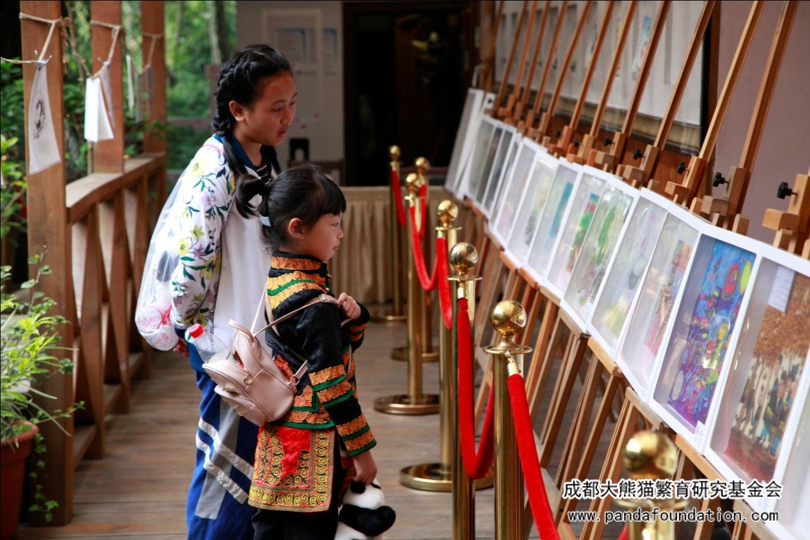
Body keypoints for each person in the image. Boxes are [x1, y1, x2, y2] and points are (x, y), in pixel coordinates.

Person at [167, 44, 297, 540]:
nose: (287, 117)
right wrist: (188, 326)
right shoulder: (216, 167)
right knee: (224, 471)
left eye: (291, 103)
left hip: (256, 342)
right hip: (227, 348)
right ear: (238, 109)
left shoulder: (261, 160)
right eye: (276, 107)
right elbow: (191, 265)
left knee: (251, 466)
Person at [240, 165, 378, 540]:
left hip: (277, 437)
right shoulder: (315, 302)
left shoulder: (281, 278)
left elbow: (324, 348)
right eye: (334, 224)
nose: (340, 233)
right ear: (298, 228)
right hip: (313, 443)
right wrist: (362, 451)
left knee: (271, 530)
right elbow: (332, 384)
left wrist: (354, 317)